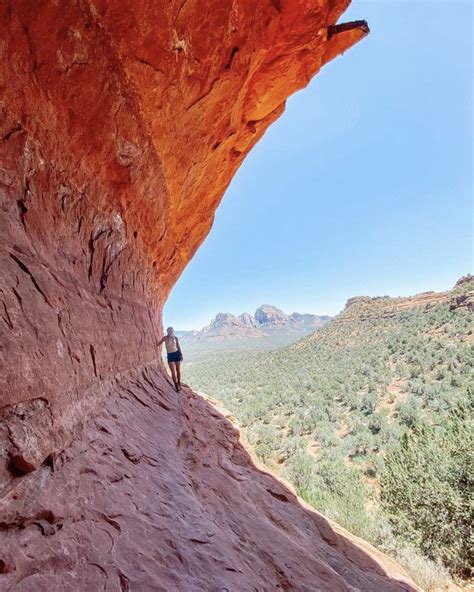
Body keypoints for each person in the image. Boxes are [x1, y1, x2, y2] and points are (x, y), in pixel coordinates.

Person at [159, 327, 183, 392]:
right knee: (173, 371)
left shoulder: (175, 338)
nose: (170, 332)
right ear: (167, 331)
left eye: (171, 331)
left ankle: (179, 383)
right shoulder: (165, 338)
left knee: (178, 370)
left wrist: (181, 354)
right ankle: (176, 386)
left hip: (177, 354)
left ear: (173, 331)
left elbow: (178, 346)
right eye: (169, 331)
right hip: (170, 355)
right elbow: (159, 343)